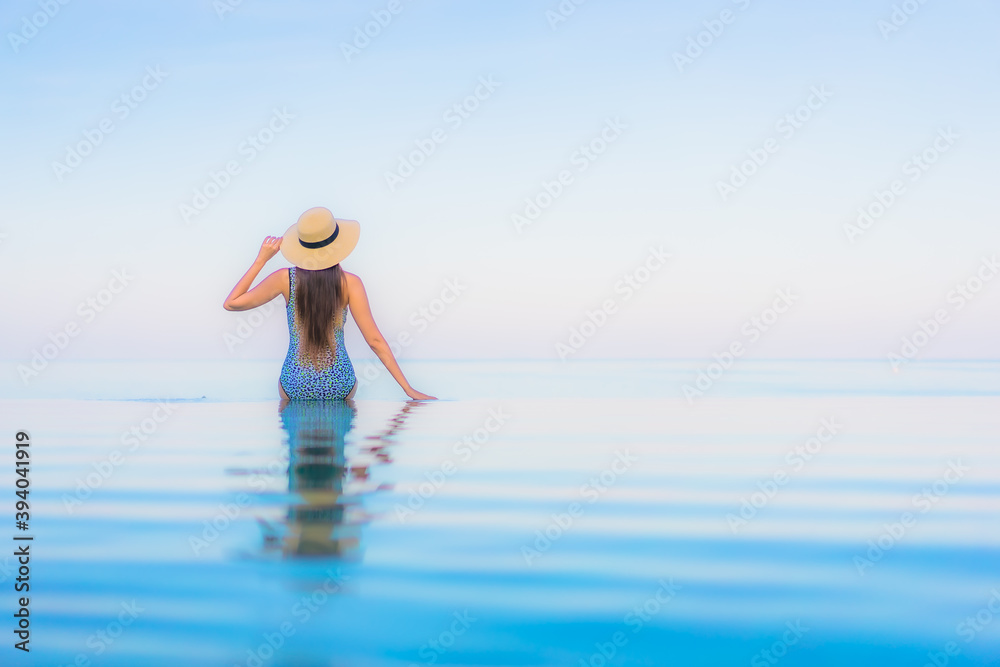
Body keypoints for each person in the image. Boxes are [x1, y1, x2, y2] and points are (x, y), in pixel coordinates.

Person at [223, 206, 436, 401]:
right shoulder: (350, 283)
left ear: (301, 245)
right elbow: (375, 341)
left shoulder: (284, 279)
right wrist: (408, 390)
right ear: (338, 244)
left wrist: (261, 260)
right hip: (341, 384)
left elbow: (232, 303)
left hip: (295, 384)